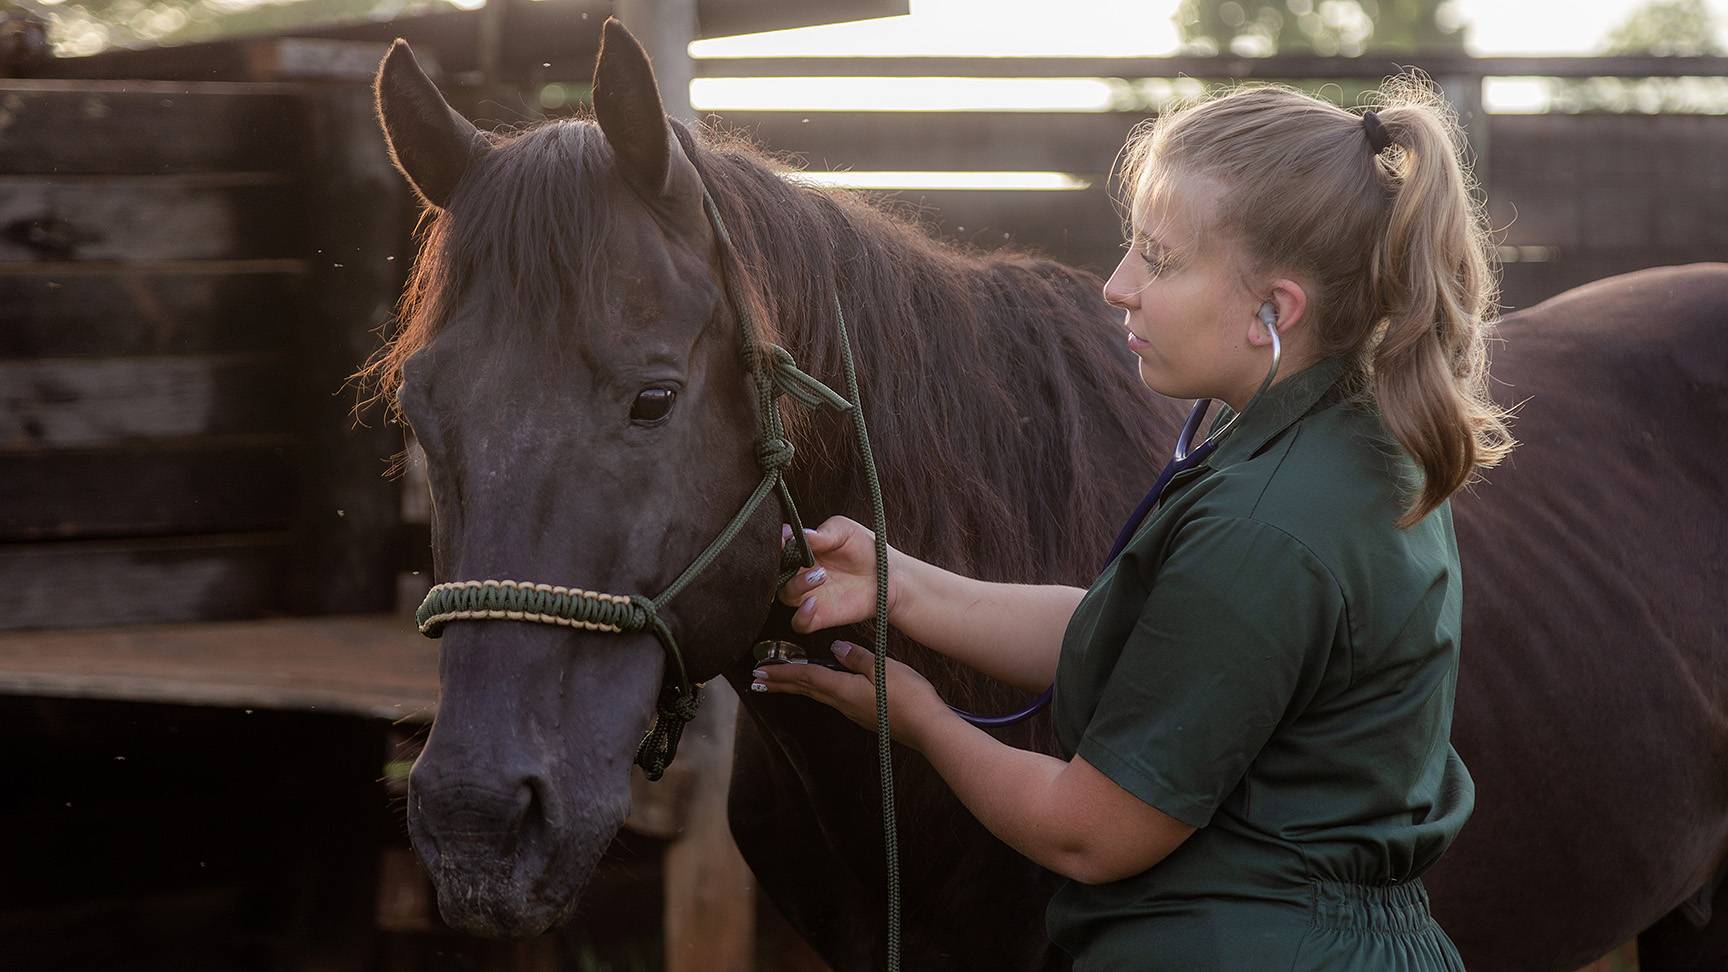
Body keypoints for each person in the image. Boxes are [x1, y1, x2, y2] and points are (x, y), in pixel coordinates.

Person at [749, 75, 1514, 970]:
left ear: (1277, 309)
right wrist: (899, 583)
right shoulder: (1340, 441)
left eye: (1160, 259)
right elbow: (1159, 642)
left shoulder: (1263, 528)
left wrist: (919, 717)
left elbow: (1089, 833)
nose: (1117, 287)